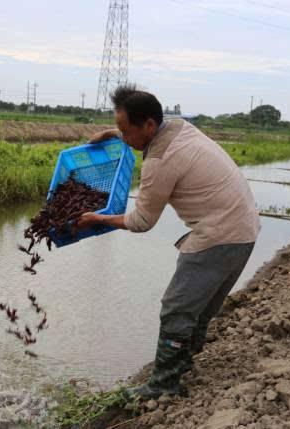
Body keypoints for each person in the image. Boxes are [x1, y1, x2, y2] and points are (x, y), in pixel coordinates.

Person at [76, 84, 260, 399]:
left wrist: (98, 218)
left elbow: (142, 221)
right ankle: (182, 364)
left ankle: (164, 384)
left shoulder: (160, 160)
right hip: (243, 229)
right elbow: (140, 134)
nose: (124, 136)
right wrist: (113, 134)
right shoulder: (178, 127)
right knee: (198, 309)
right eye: (120, 128)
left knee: (177, 309)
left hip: (219, 234)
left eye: (125, 130)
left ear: (148, 124)